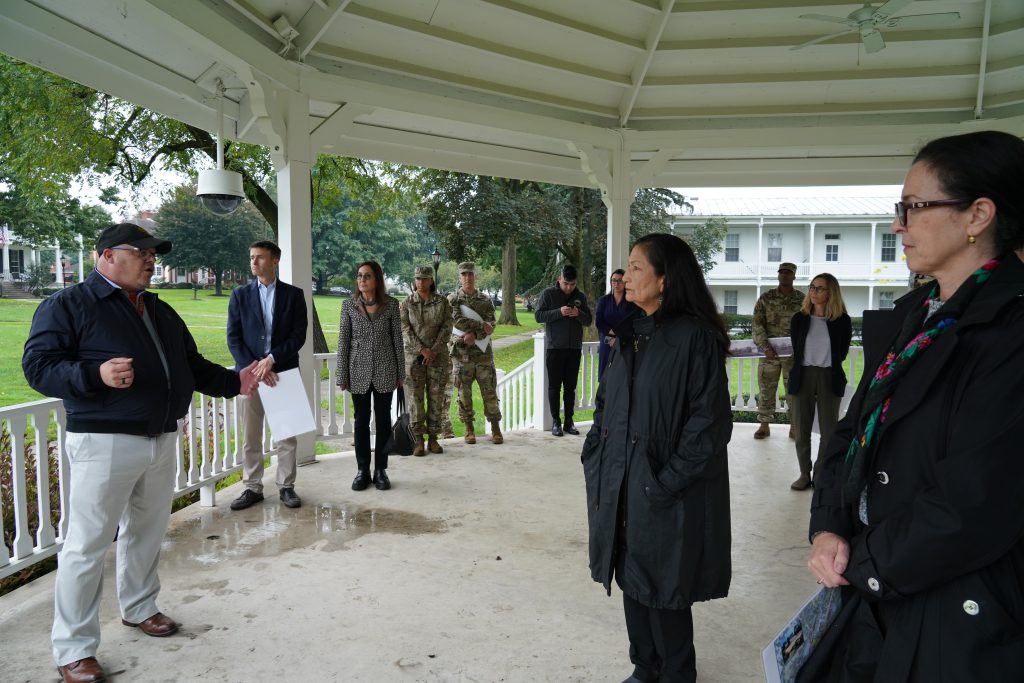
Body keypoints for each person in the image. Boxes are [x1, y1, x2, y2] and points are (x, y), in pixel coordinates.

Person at [804, 130, 1024, 682]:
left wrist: (865, 565)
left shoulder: (1012, 331)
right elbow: (852, 432)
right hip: (878, 590)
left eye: (913, 207)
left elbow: (972, 502)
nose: (898, 224)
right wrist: (829, 525)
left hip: (957, 613)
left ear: (978, 215)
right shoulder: (917, 318)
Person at [22, 223, 257, 683]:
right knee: (86, 547)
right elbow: (38, 366)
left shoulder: (158, 309)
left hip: (161, 437)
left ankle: (140, 607)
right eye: (142, 252)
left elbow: (190, 366)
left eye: (154, 253)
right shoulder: (68, 304)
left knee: (147, 532)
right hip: (103, 442)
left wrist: (237, 382)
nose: (151, 259)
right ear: (107, 255)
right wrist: (95, 375)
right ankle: (73, 648)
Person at [582, 233, 732, 683]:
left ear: (665, 280)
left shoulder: (695, 339)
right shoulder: (631, 332)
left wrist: (665, 481)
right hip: (621, 475)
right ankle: (643, 668)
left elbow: (709, 425)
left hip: (664, 483)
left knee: (663, 584)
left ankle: (675, 672)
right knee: (629, 572)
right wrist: (596, 450)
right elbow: (607, 400)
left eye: (636, 267)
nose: (625, 277)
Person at [226, 240, 308, 510]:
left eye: (260, 257)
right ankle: (252, 487)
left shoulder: (294, 296)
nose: (254, 262)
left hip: (282, 371)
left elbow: (298, 336)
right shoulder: (239, 295)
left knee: (286, 434)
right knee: (251, 435)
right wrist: (255, 367)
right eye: (251, 257)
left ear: (275, 261)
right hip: (251, 377)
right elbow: (233, 338)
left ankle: (286, 486)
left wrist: (271, 360)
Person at [337, 260, 404, 491]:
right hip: (358, 372)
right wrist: (341, 375)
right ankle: (362, 470)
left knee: (384, 421)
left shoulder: (392, 305)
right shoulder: (348, 306)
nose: (362, 280)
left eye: (367, 276)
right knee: (361, 422)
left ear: (377, 280)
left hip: (386, 370)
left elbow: (398, 341)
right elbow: (343, 342)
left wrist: (401, 372)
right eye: (359, 276)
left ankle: (381, 470)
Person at [785, 273, 851, 491]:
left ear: (831, 292)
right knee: (801, 429)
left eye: (820, 288)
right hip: (802, 375)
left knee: (829, 430)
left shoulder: (842, 321)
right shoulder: (799, 319)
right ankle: (804, 473)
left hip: (829, 376)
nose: (814, 291)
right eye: (812, 287)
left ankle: (821, 474)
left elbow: (841, 353)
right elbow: (796, 349)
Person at [400, 265, 453, 456]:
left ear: (431, 280)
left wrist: (434, 350)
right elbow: (405, 329)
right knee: (415, 399)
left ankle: (433, 438)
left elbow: (447, 327)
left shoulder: (442, 302)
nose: (420, 282)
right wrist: (422, 350)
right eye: (417, 278)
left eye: (424, 278)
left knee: (436, 398)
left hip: (438, 358)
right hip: (414, 359)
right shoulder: (407, 303)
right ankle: (418, 440)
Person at [534, 264, 592, 436]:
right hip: (555, 348)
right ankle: (556, 422)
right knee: (554, 387)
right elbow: (539, 316)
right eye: (566, 283)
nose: (568, 288)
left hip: (574, 348)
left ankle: (569, 421)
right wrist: (559, 312)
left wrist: (578, 314)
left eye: (572, 284)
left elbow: (588, 320)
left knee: (570, 387)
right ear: (559, 279)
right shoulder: (548, 294)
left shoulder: (580, 296)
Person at [449, 261, 502, 445]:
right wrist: (479, 328)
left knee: (489, 392)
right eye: (464, 275)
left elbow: (492, 325)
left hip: (483, 354)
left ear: (475, 276)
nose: (467, 278)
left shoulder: (485, 300)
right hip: (462, 353)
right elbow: (457, 321)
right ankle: (469, 429)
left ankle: (495, 428)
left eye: (470, 274)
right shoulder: (453, 300)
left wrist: (475, 334)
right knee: (464, 393)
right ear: (459, 277)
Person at [751, 262, 804, 439]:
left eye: (788, 273)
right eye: (782, 272)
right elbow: (757, 323)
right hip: (769, 354)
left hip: (793, 355)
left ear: (794, 276)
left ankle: (795, 426)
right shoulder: (766, 298)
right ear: (778, 275)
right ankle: (764, 425)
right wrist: (765, 348)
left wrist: (800, 348)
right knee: (766, 389)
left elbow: (808, 326)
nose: (784, 275)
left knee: (794, 390)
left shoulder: (803, 300)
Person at [594, 268, 636, 380]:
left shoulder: (631, 302)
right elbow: (599, 322)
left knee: (622, 376)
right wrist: (610, 335)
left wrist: (618, 337)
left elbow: (631, 323)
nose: (616, 284)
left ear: (625, 282)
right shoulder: (603, 300)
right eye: (613, 280)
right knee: (605, 376)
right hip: (606, 342)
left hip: (624, 342)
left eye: (619, 280)